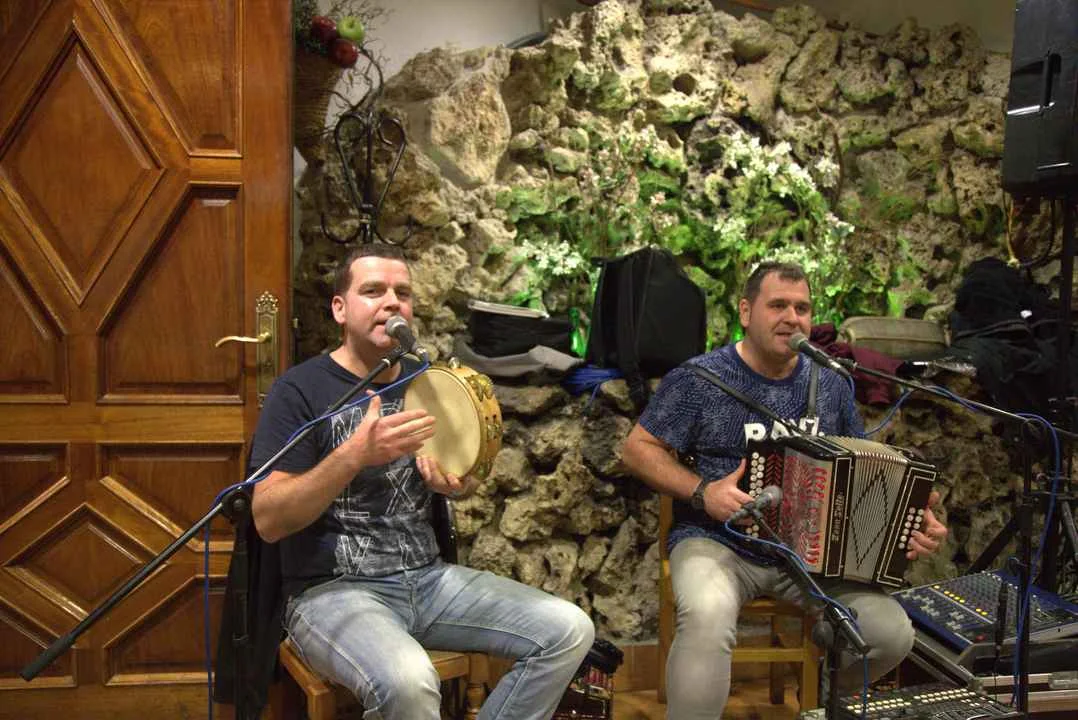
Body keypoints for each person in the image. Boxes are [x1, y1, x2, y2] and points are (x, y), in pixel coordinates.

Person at [248, 243, 594, 720]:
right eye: (373, 290)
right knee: (409, 682)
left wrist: (459, 484)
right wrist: (353, 456)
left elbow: (462, 475)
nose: (392, 302)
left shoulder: (429, 381)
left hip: (429, 580)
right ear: (340, 309)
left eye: (403, 293)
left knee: (569, 630)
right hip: (332, 592)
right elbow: (268, 519)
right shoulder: (299, 390)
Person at [621, 261, 948, 719]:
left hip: (813, 558)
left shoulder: (830, 383)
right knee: (706, 618)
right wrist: (702, 492)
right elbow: (636, 450)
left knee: (891, 634)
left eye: (802, 308)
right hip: (718, 542)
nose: (792, 318)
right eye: (778, 305)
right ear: (745, 312)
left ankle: (819, 698)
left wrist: (909, 517)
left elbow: (862, 467)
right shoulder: (699, 380)